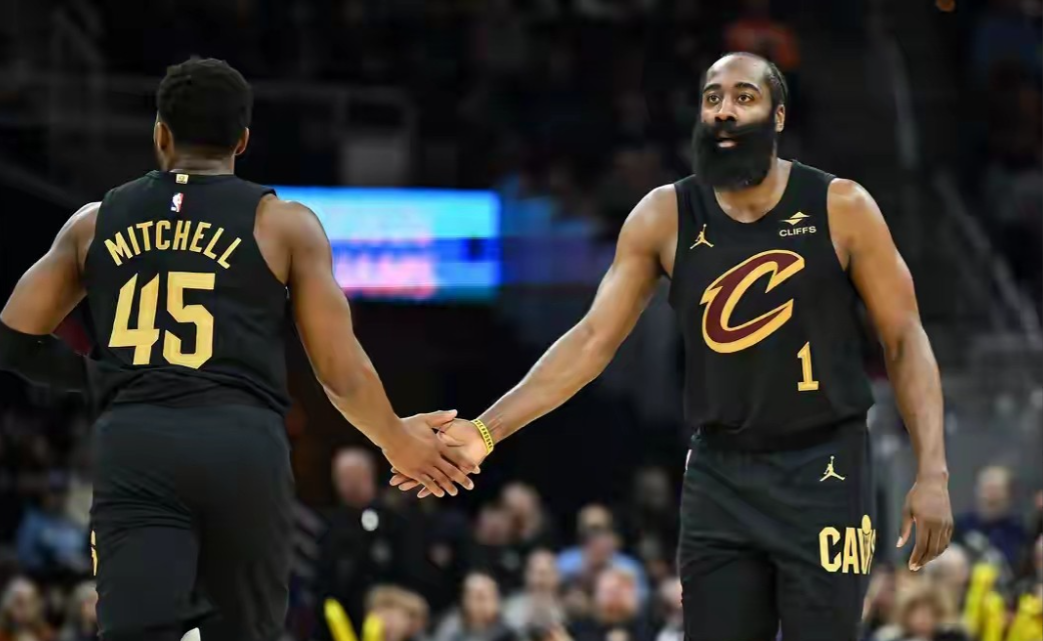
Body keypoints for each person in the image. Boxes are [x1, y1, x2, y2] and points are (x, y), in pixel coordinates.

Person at [393, 52, 954, 640]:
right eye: (713, 98)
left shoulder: (843, 207)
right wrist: (486, 431)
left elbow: (904, 339)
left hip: (826, 467)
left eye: (744, 97)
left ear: (778, 117)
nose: (724, 111)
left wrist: (933, 472)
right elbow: (591, 340)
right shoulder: (665, 214)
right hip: (721, 472)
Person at [0, 58, 477, 641]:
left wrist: (100, 377)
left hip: (136, 441)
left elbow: (14, 339)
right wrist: (398, 442)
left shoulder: (93, 224)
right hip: (241, 445)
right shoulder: (284, 225)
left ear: (161, 135)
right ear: (243, 141)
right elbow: (339, 371)